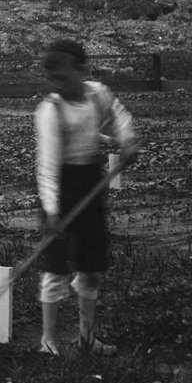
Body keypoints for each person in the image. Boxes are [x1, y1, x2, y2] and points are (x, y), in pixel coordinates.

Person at [35, 39, 139, 357]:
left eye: (62, 78)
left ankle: (86, 338)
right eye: (51, 80)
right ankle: (49, 341)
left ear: (81, 71)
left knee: (91, 265)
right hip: (59, 188)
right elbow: (48, 165)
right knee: (55, 268)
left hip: (90, 183)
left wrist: (127, 141)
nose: (56, 85)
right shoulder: (49, 110)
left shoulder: (97, 94)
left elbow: (118, 116)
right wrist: (52, 211)